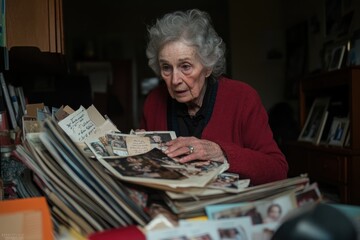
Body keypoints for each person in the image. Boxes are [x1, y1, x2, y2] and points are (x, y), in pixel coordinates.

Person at [140, 9, 288, 185]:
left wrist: (221, 153)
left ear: (208, 66)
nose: (175, 80)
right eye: (166, 67)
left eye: (185, 66)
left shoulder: (243, 98)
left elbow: (278, 170)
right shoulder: (153, 102)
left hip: (227, 208)